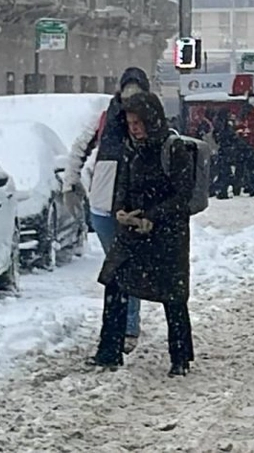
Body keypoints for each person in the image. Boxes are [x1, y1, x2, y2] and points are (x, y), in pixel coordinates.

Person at [90, 92, 195, 377]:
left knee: (173, 296)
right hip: (133, 232)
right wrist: (121, 211)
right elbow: (121, 187)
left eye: (138, 122)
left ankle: (180, 356)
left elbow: (182, 195)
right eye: (130, 122)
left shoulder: (172, 150)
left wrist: (152, 216)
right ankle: (108, 352)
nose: (134, 127)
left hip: (167, 236)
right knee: (114, 281)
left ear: (152, 120)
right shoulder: (130, 149)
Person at [64, 67, 150, 352]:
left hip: (133, 207)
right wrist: (70, 182)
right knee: (117, 266)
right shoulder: (105, 118)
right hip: (103, 205)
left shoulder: (150, 121)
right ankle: (119, 327)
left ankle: (127, 327)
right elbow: (79, 149)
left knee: (126, 265)